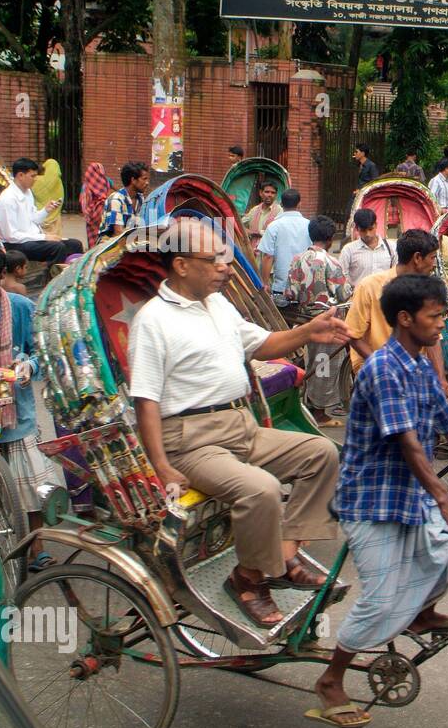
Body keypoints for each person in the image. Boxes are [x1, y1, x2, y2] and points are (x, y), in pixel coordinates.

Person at [314, 274, 448, 728]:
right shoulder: (384, 370)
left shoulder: (421, 364)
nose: (443, 324)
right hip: (373, 499)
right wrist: (445, 499)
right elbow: (408, 442)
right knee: (381, 598)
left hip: (412, 493)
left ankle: (420, 615)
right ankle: (332, 678)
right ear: (405, 319)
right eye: (435, 315)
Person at [128, 218, 349, 627]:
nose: (225, 266)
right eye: (214, 259)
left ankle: (283, 556)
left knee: (322, 453)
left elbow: (263, 345)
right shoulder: (153, 320)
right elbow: (145, 400)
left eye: (225, 258)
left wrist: (309, 331)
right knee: (260, 489)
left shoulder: (219, 305)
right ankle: (248, 580)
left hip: (238, 425)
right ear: (180, 265)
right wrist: (161, 466)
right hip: (190, 441)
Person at [0, 248, 53, 571]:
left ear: (2, 276)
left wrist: (29, 368)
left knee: (29, 486)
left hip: (16, 412)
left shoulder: (21, 307)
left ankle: (38, 547)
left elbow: (43, 352)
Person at [346, 229, 448, 385]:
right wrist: (383, 366)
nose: (434, 265)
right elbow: (353, 335)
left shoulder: (426, 290)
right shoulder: (369, 286)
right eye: (433, 258)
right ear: (417, 258)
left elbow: (433, 339)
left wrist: (441, 379)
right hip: (376, 370)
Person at [286, 215, 350, 427]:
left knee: (312, 361)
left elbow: (290, 293)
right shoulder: (332, 262)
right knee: (324, 363)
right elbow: (343, 295)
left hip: (302, 320)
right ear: (331, 239)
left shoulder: (297, 260)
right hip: (326, 323)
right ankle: (319, 413)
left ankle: (309, 404)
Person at [0, 158, 80, 268]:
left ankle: (74, 276)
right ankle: (50, 279)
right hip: (15, 244)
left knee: (75, 244)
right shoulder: (8, 199)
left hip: (31, 239)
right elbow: (11, 236)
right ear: (20, 175)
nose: (35, 179)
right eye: (32, 176)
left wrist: (46, 210)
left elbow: (34, 219)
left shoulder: (27, 192)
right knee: (58, 247)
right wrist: (43, 237)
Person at [257, 188, 310, 308]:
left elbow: (267, 256)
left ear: (281, 203)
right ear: (299, 204)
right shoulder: (309, 225)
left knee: (282, 320)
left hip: (280, 287)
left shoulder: (274, 226)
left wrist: (265, 283)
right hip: (305, 286)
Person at [338, 208, 394, 289]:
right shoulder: (348, 250)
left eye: (370, 229)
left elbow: (396, 273)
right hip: (358, 298)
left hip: (385, 298)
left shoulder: (391, 247)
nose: (368, 234)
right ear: (357, 229)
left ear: (376, 225)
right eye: (363, 230)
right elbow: (341, 275)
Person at [100, 160, 149, 239]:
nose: (147, 183)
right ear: (133, 180)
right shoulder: (116, 199)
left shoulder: (141, 199)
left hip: (131, 241)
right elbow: (118, 233)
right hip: (111, 244)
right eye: (144, 179)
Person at [79, 161, 112, 249]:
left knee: (94, 241)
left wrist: (89, 216)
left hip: (93, 218)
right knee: (104, 241)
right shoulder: (106, 182)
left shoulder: (86, 186)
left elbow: (84, 203)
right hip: (106, 213)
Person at [241, 182, 281, 252]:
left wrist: (261, 233)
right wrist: (250, 232)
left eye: (273, 193)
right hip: (252, 253)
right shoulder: (254, 210)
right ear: (260, 193)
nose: (269, 195)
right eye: (267, 192)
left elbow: (280, 233)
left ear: (276, 195)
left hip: (269, 254)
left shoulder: (279, 211)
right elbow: (240, 225)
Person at [31, 158, 64, 238]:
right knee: (56, 241)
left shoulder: (33, 181)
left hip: (40, 216)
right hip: (54, 216)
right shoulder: (57, 182)